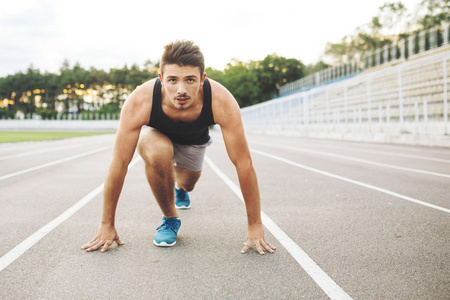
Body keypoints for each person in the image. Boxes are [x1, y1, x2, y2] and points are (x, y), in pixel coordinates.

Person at [81, 40, 276, 255]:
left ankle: (180, 189)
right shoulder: (140, 101)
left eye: (190, 80)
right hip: (157, 137)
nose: (181, 90)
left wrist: (255, 225)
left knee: (188, 183)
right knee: (158, 151)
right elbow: (119, 163)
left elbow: (243, 163)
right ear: (161, 79)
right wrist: (107, 224)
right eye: (172, 80)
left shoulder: (220, 100)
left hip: (194, 142)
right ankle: (170, 218)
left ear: (202, 79)